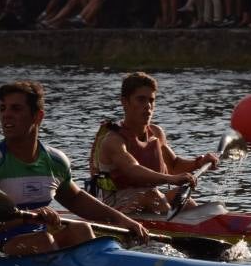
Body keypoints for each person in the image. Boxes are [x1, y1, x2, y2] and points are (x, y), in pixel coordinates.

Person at [0, 81, 149, 256]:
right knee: (43, 240)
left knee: (80, 229)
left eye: (16, 108)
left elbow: (75, 198)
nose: (6, 115)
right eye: (2, 108)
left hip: (38, 242)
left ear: (38, 116)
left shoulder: (55, 161)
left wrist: (123, 220)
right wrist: (25, 219)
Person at [89, 72, 219, 215]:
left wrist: (199, 162)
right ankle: (175, 223)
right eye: (141, 100)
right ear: (124, 102)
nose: (148, 106)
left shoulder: (156, 132)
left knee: (182, 196)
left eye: (151, 100)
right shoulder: (113, 140)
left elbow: (174, 165)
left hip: (150, 200)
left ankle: (200, 224)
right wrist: (171, 179)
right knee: (153, 195)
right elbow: (132, 169)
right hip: (113, 208)